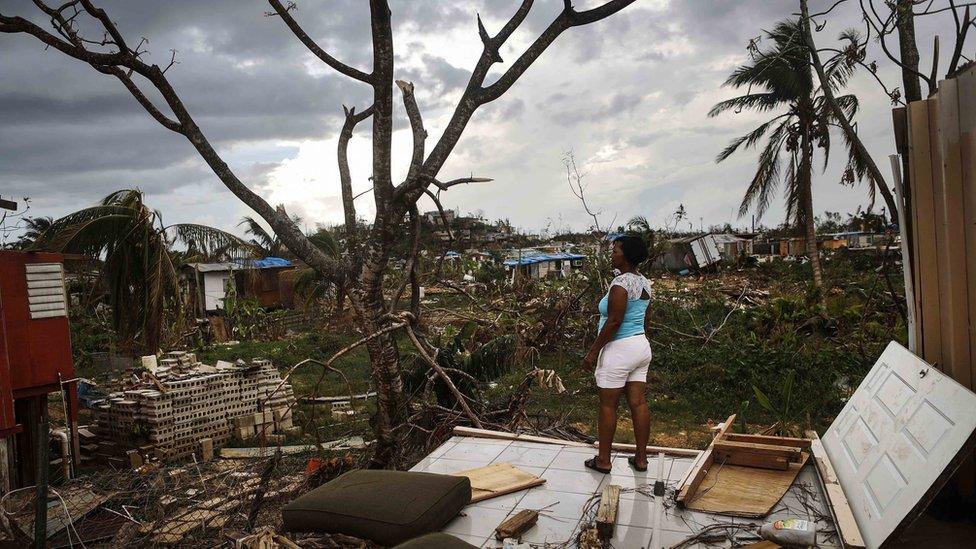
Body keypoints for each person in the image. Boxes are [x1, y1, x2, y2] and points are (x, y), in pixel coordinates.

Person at [581, 235, 653, 473]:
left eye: (615, 250)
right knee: (638, 402)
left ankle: (603, 460)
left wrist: (592, 353)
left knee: (608, 405)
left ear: (627, 255)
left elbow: (614, 321)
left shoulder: (621, 283)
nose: (612, 254)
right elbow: (643, 318)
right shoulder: (645, 283)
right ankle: (641, 459)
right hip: (640, 346)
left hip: (619, 349)